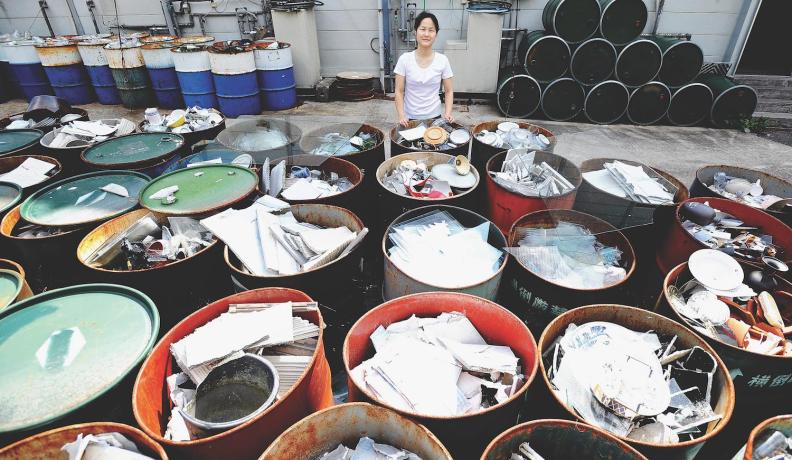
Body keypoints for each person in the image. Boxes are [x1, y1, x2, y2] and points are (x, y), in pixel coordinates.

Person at [394, 11, 455, 127]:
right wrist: (401, 115)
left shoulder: (443, 60)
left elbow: (449, 91)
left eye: (431, 30)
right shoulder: (404, 59)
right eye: (422, 29)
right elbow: (399, 91)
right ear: (415, 32)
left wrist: (447, 113)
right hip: (409, 118)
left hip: (434, 117)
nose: (426, 34)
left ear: (436, 34)